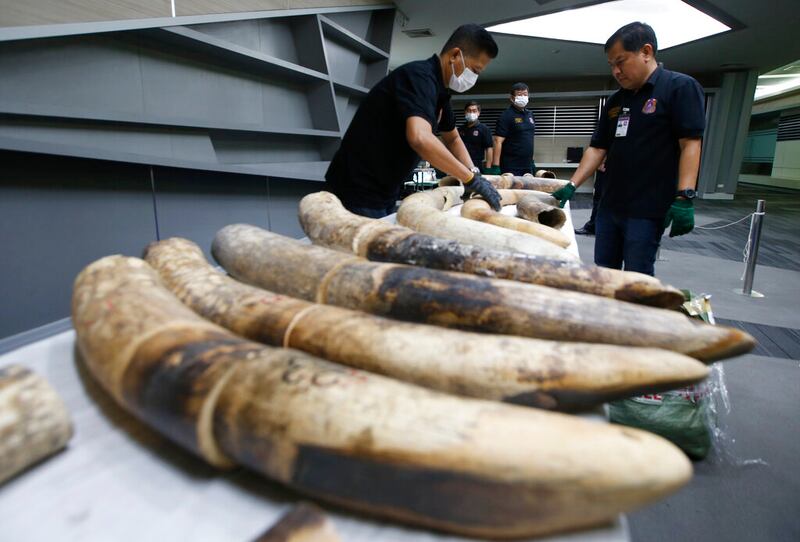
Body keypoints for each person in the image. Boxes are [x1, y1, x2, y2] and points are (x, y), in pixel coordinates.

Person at [551, 22, 704, 276]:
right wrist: (572, 184)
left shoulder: (679, 88)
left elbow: (690, 143)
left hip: (647, 208)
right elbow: (598, 147)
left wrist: (685, 196)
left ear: (646, 51)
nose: (616, 71)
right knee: (604, 272)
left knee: (637, 276)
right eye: (611, 65)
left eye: (620, 61)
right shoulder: (615, 101)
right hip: (610, 205)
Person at [324, 24, 502, 218]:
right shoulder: (419, 77)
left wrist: (474, 173)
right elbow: (420, 137)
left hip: (385, 190)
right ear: (455, 55)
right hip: (357, 189)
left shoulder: (440, 93)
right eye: (475, 70)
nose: (474, 77)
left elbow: (453, 139)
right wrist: (468, 178)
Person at [487, 82, 535, 176]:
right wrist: (496, 165)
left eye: (525, 94)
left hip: (527, 165)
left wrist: (532, 161)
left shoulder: (530, 114)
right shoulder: (506, 115)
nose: (523, 97)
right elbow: (497, 141)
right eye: (519, 95)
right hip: (510, 166)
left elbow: (530, 139)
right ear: (512, 98)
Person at [458, 101, 494, 172]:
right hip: (462, 163)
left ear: (478, 113)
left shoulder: (484, 129)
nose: (471, 113)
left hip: (477, 164)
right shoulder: (460, 129)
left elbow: (489, 149)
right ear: (465, 112)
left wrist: (488, 168)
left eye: (474, 111)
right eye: (469, 111)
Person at [574, 159, 607, 235]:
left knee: (605, 201)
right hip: (603, 169)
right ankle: (592, 226)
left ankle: (598, 227)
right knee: (598, 199)